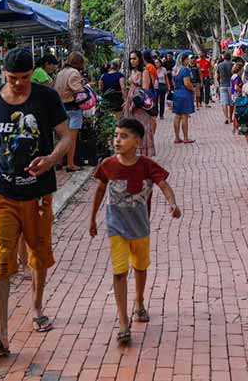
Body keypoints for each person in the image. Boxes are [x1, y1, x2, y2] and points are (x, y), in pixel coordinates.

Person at [0, 48, 74, 355]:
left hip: (39, 194)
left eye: (24, 78)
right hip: (3, 193)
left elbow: (65, 135)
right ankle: (1, 335)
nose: (18, 84)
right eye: (13, 78)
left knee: (39, 255)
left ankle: (38, 307)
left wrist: (52, 158)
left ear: (32, 73)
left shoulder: (46, 97)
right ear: (4, 73)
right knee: (2, 259)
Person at [89, 118, 182, 344]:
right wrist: (92, 218)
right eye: (116, 135)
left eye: (124, 136)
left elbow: (163, 185)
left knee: (140, 267)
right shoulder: (108, 165)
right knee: (119, 271)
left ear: (137, 142)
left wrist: (172, 203)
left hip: (140, 227)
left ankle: (139, 301)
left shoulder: (147, 165)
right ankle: (123, 322)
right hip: (116, 227)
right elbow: (100, 190)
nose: (117, 140)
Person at [54, 52, 88, 172]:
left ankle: (58, 162)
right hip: (72, 108)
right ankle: (70, 164)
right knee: (72, 138)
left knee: (62, 137)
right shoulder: (74, 73)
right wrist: (85, 86)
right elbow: (77, 89)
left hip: (60, 107)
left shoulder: (61, 72)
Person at [124, 50, 156, 157]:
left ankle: (144, 154)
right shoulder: (133, 72)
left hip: (140, 104)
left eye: (134, 58)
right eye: (131, 58)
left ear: (139, 59)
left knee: (142, 128)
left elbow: (144, 91)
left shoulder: (144, 72)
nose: (132, 61)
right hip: (131, 102)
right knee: (133, 128)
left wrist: (134, 103)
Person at [171, 53, 196, 143]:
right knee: (184, 115)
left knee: (177, 115)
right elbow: (187, 83)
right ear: (184, 60)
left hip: (177, 93)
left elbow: (173, 83)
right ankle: (185, 137)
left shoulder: (174, 70)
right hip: (184, 93)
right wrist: (193, 89)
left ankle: (177, 137)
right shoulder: (185, 70)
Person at [217, 52, 235, 124]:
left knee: (224, 102)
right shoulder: (233, 64)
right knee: (231, 102)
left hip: (223, 84)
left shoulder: (220, 65)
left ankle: (226, 117)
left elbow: (218, 76)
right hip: (231, 85)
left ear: (223, 57)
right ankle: (230, 118)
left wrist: (218, 83)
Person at [229, 60, 245, 134]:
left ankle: (235, 128)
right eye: (242, 69)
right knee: (238, 112)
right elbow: (236, 87)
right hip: (237, 96)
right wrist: (244, 91)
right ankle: (237, 128)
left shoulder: (233, 76)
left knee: (236, 112)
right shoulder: (237, 77)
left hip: (233, 95)